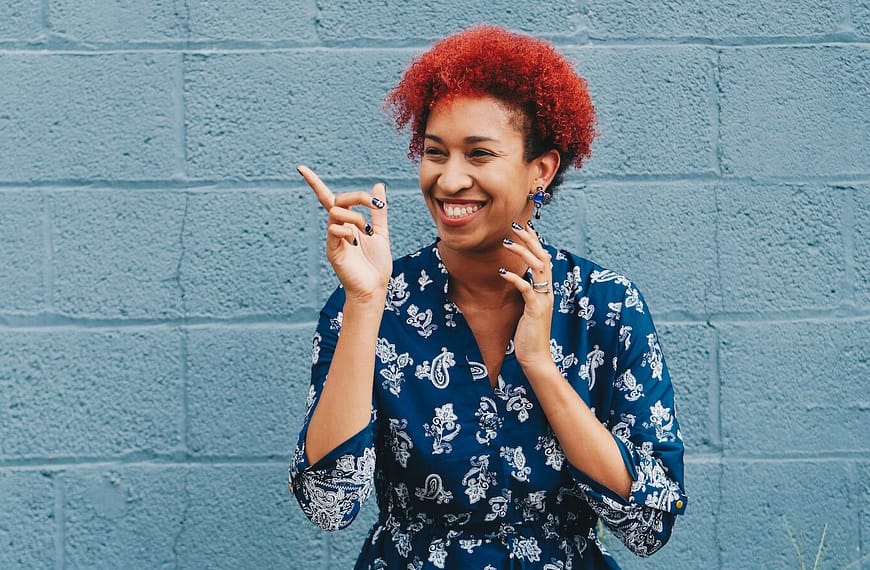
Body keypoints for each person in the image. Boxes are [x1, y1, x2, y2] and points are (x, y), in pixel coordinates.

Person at [289, 25, 686, 569]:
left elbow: (648, 525)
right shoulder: (371, 304)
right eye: (435, 153)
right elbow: (328, 504)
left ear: (540, 170)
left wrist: (540, 366)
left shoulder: (606, 306)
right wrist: (364, 303)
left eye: (479, 154)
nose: (450, 180)